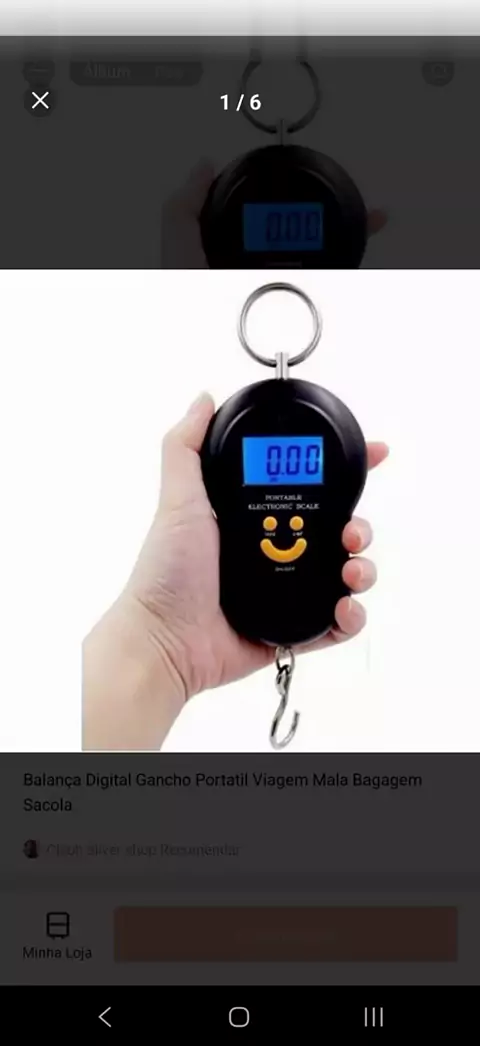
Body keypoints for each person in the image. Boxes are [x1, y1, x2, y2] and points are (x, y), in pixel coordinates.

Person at [83, 391, 388, 750]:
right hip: (250, 612)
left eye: (303, 461)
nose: (283, 478)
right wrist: (163, 635)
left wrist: (163, 649)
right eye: (270, 464)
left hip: (301, 608)